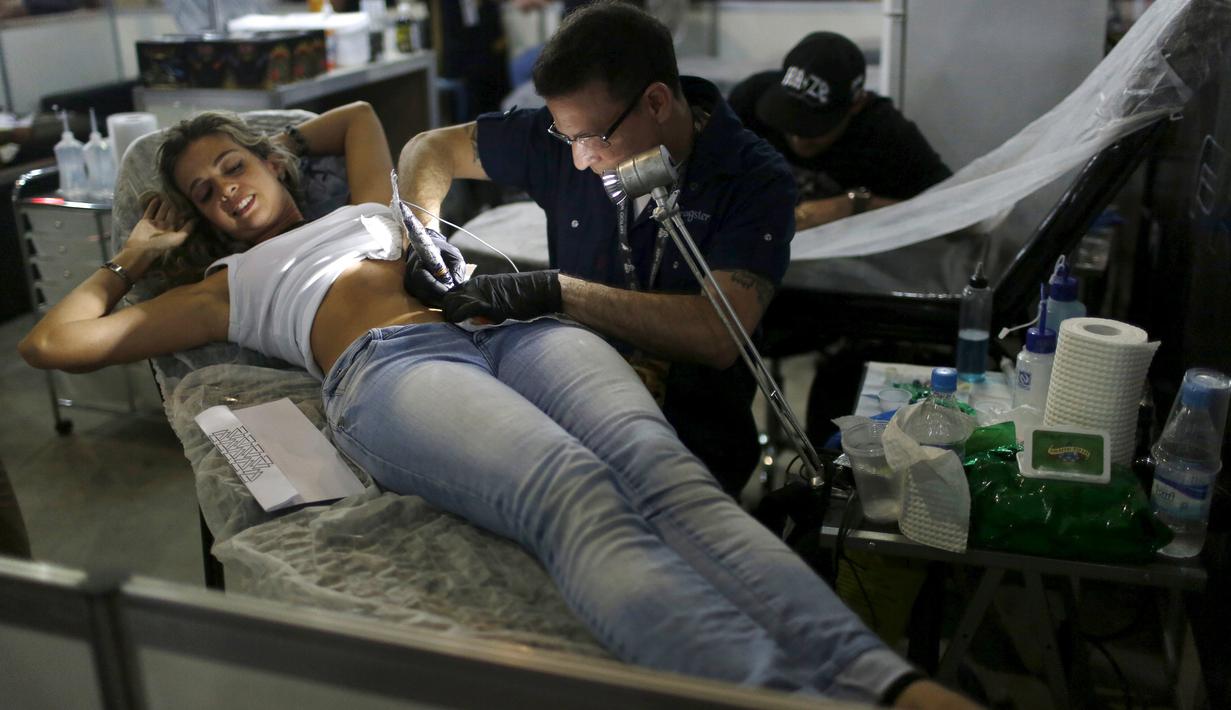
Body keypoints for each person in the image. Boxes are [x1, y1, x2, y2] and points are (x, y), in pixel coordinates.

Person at [16, 103, 973, 708]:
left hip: (504, 320)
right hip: (389, 370)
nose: (227, 191)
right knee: (576, 495)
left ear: (271, 164)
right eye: (203, 191)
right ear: (195, 218)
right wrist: (135, 255)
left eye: (237, 167)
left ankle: (888, 683)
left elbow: (352, 117)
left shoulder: (361, 205)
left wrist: (265, 135)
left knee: (669, 476)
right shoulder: (226, 282)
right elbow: (54, 343)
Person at [398, 0, 793, 497]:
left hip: (693, 448)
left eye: (592, 137)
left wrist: (557, 293)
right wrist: (424, 233)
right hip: (571, 424)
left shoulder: (753, 180)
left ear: (656, 102)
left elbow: (717, 334)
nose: (582, 160)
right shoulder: (561, 139)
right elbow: (429, 148)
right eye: (568, 138)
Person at [728, 31, 952, 230]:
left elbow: (956, 213)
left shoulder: (884, 133)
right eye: (788, 123)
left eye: (812, 129)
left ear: (856, 105)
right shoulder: (750, 100)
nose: (798, 139)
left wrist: (852, 206)